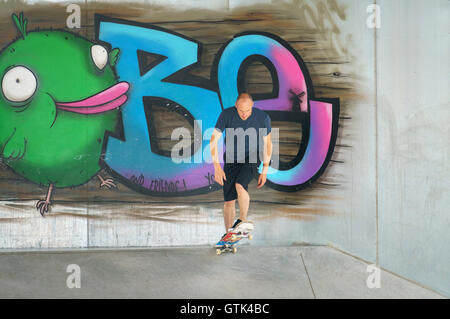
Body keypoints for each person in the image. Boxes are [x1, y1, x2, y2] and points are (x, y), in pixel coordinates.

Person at [210, 93, 272, 243]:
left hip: (252, 155)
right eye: (241, 111)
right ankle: (228, 235)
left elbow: (268, 144)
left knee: (239, 184)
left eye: (248, 111)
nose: (244, 115)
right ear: (236, 107)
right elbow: (213, 140)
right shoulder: (226, 115)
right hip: (231, 158)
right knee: (229, 201)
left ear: (252, 106)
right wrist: (217, 167)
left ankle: (242, 221)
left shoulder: (262, 118)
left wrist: (265, 169)